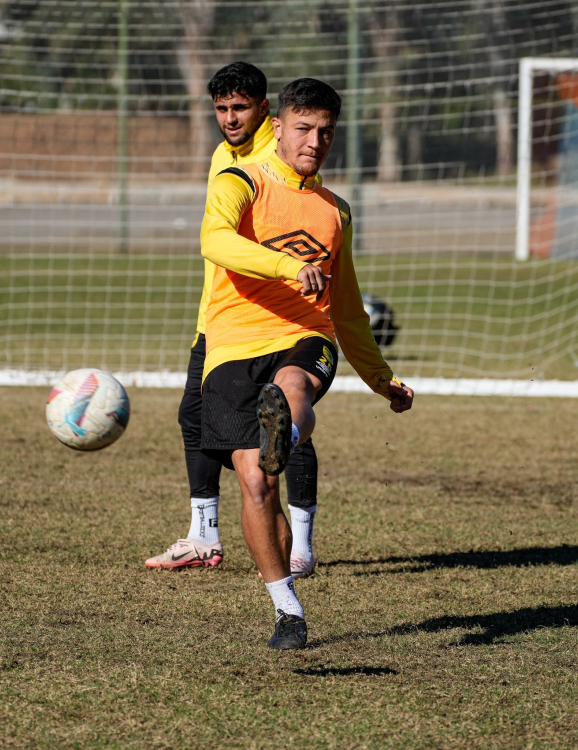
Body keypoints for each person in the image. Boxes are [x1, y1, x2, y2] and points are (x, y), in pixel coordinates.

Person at [199, 78, 414, 649]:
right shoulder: (240, 180)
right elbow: (214, 241)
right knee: (254, 483)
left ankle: (287, 429)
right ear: (278, 126)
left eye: (326, 132)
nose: (315, 141)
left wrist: (381, 378)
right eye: (304, 128)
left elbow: (346, 311)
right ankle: (286, 607)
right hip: (232, 344)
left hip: (304, 336)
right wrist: (284, 267)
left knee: (294, 383)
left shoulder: (336, 211)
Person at [145, 63, 322, 577]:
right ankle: (203, 535)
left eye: (240, 108)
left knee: (288, 423)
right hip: (219, 317)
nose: (229, 118)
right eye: (221, 108)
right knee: (195, 418)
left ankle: (300, 544)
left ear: (265, 109)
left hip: (275, 320)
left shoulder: (282, 153)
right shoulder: (226, 155)